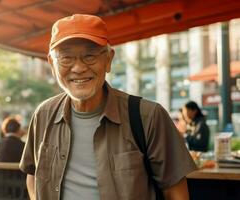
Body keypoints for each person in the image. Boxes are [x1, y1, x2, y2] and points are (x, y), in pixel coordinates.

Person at [20, 14, 197, 200]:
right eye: (66, 58)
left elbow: (176, 192)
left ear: (109, 59)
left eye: (89, 56)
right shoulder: (43, 114)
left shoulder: (148, 117)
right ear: (52, 63)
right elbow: (32, 176)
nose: (78, 68)